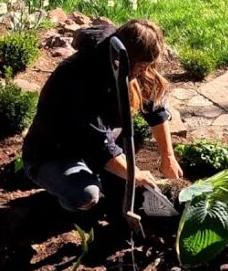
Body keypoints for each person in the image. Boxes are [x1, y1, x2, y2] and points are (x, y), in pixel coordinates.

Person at [22, 19, 183, 213]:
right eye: (141, 67)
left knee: (125, 190)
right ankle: (62, 200)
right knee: (86, 195)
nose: (144, 72)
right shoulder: (79, 77)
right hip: (53, 154)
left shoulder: (122, 63)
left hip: (94, 146)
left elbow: (155, 110)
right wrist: (135, 175)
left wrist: (167, 156)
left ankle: (91, 178)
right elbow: (96, 143)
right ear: (128, 60)